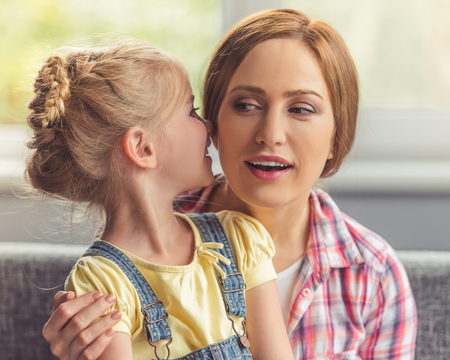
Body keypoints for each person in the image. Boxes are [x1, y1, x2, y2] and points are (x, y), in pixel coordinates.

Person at [42, 8, 417, 360]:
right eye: (246, 105)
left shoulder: (374, 276)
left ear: (337, 134)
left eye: (301, 109)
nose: (271, 135)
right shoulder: (134, 245)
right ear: (214, 123)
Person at [26, 41, 295, 360]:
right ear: (143, 149)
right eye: (191, 111)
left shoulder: (241, 239)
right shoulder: (102, 282)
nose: (209, 126)